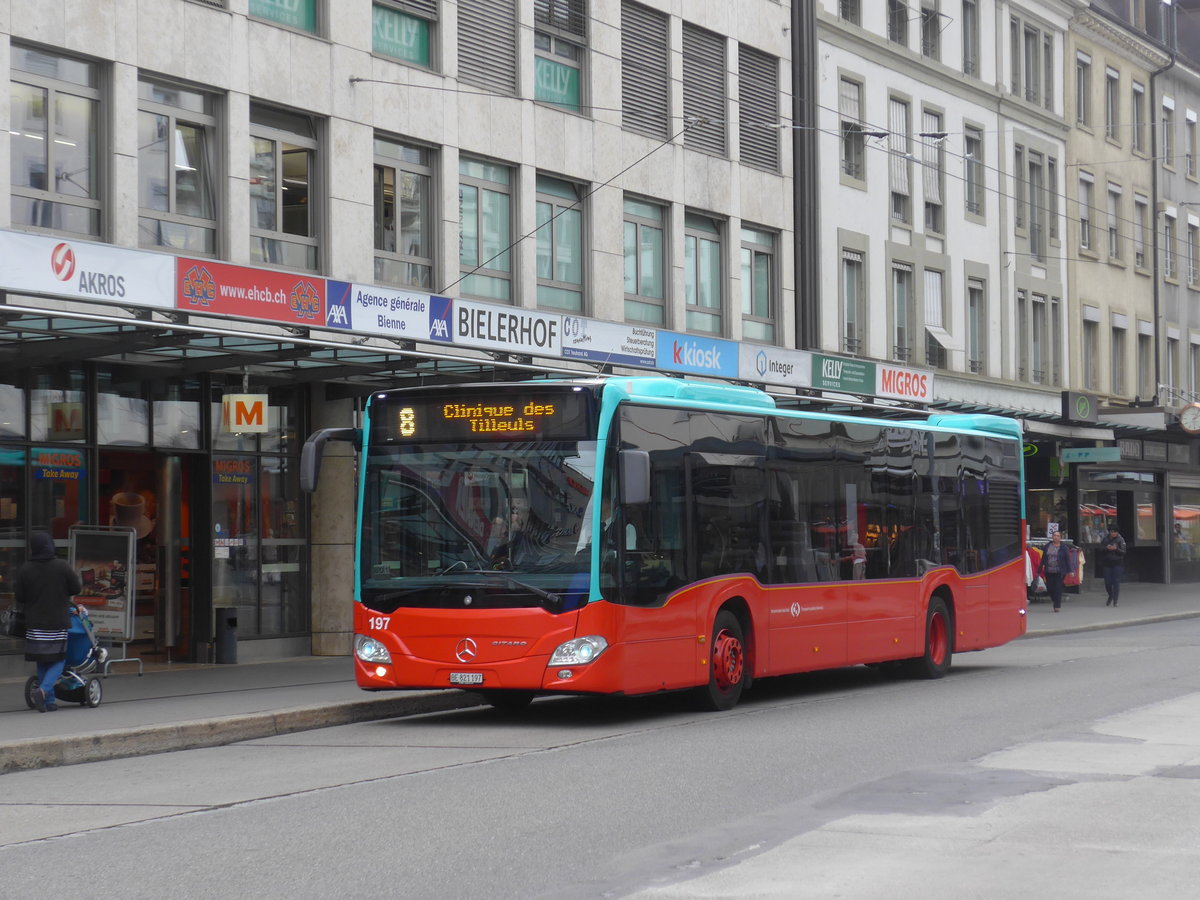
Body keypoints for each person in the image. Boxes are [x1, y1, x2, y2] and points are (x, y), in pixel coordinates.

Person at [14, 532, 82, 712]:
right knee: (59, 659)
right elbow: (76, 588)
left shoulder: (25, 568)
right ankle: (43, 691)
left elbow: (19, 596)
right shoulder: (62, 566)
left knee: (42, 660)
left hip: (34, 623)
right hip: (57, 621)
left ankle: (48, 701)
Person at [1036, 531, 1071, 613]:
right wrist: (1039, 569)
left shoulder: (1064, 547)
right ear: (1052, 537)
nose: (1056, 537)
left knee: (1058, 588)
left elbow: (1067, 560)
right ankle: (1055, 600)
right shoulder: (1047, 546)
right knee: (1049, 588)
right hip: (1049, 570)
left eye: (1058, 536)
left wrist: (1070, 570)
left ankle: (1057, 605)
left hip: (1059, 571)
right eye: (1054, 535)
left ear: (1060, 537)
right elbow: (1043, 558)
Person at [1101, 526, 1127, 607]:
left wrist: (1116, 549)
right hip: (1107, 563)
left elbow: (1123, 552)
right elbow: (1100, 549)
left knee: (1116, 582)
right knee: (1107, 582)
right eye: (1111, 531)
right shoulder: (1105, 539)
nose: (1113, 533)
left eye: (1115, 532)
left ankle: (1115, 600)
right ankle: (1110, 595)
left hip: (1117, 563)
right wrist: (1106, 548)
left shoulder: (1120, 539)